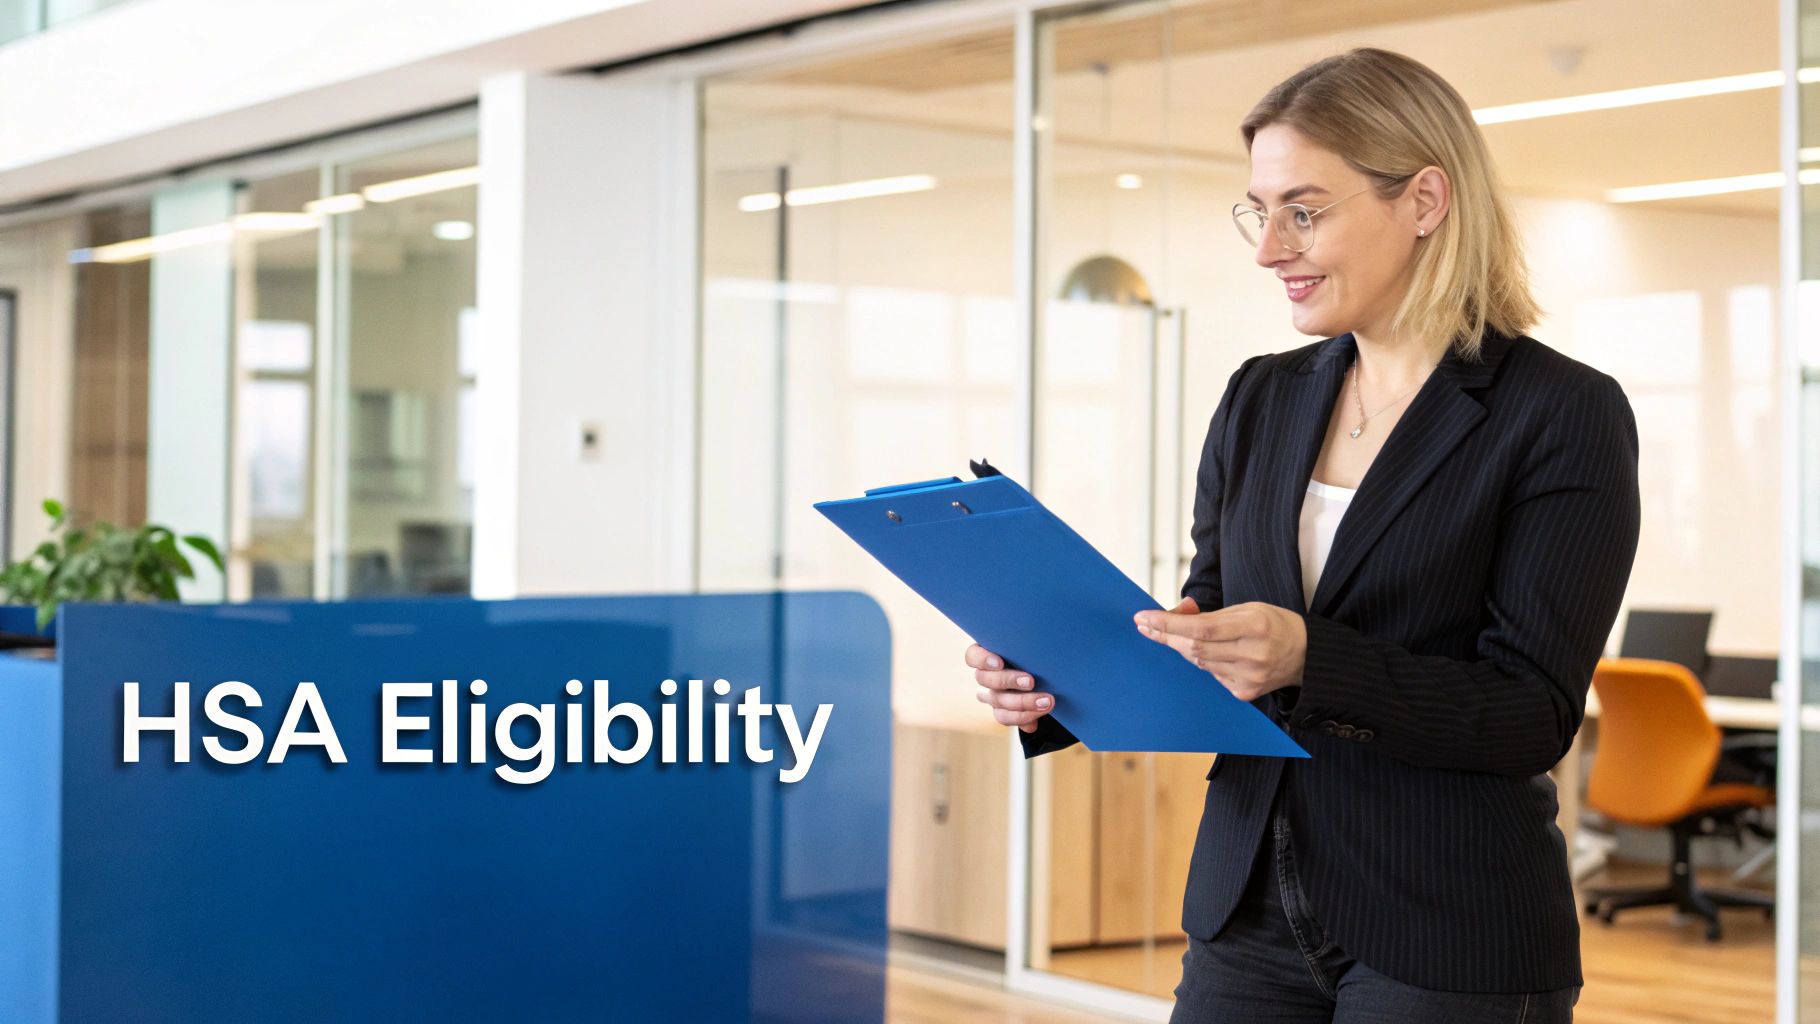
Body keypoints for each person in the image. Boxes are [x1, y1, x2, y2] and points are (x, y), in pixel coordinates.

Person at [963, 47, 1640, 1022]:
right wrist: (1054, 686)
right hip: (1247, 910)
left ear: (1423, 200)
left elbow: (1529, 713)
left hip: (1442, 925)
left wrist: (1310, 656)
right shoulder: (1259, 398)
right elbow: (1205, 621)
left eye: (1302, 211)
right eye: (1258, 209)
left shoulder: (1557, 412)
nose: (1267, 248)